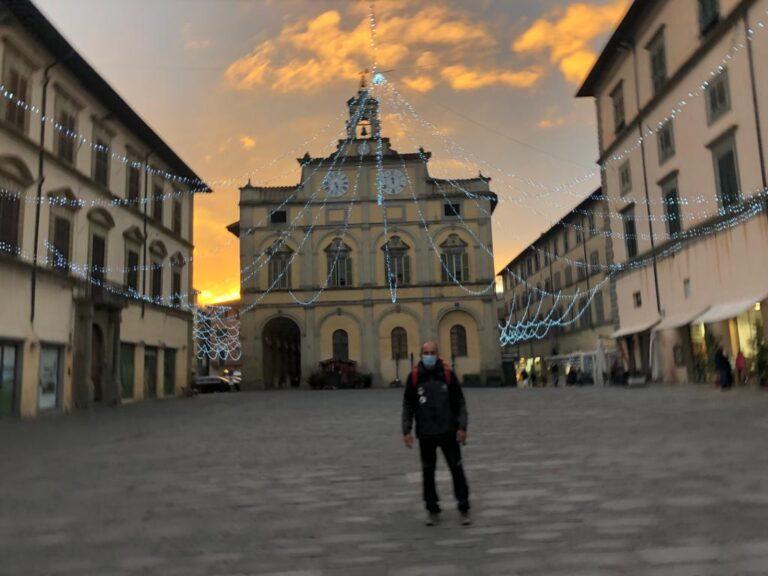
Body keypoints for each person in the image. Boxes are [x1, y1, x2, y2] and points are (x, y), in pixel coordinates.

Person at [402, 341, 471, 526]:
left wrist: (462, 427)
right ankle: (432, 509)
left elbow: (459, 403)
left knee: (457, 470)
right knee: (428, 473)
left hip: (448, 431)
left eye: (432, 352)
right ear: (420, 354)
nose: (429, 355)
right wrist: (406, 429)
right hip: (426, 433)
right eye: (426, 352)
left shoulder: (447, 375)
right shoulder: (415, 377)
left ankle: (464, 507)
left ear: (438, 354)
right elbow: (408, 404)